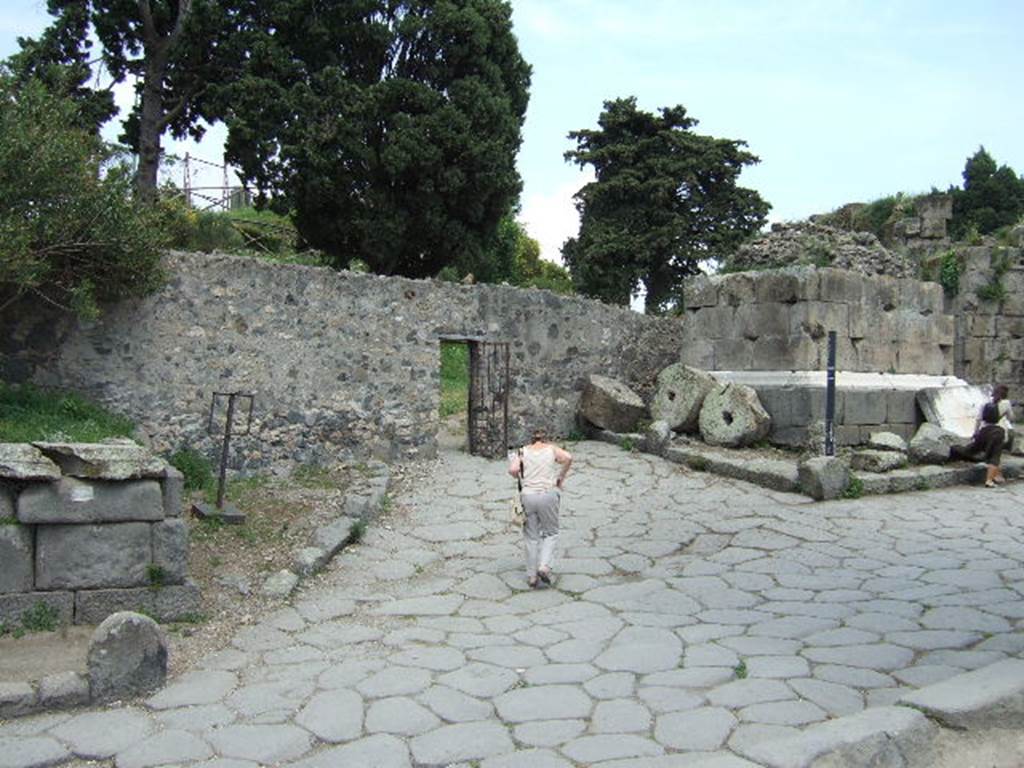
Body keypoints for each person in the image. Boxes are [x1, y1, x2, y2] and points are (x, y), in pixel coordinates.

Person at [508, 428, 572, 588]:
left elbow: (513, 469)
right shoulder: (551, 449)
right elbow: (568, 457)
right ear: (546, 439)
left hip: (528, 496)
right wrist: (560, 477)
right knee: (551, 533)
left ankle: (531, 576)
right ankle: (544, 566)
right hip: (548, 494)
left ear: (531, 439)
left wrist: (520, 477)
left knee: (531, 537)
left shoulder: (522, 452)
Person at [949, 400, 1006, 487]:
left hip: (979, 445)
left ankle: (954, 448)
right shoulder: (1001, 431)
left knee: (971, 451)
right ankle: (989, 480)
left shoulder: (982, 431)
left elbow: (975, 447)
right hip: (995, 438)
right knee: (995, 456)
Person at [992, 384, 1015, 453]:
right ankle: (1007, 449)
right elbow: (1011, 418)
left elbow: (979, 418)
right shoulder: (1007, 403)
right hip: (999, 429)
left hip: (984, 428)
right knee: (1011, 432)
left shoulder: (987, 401)